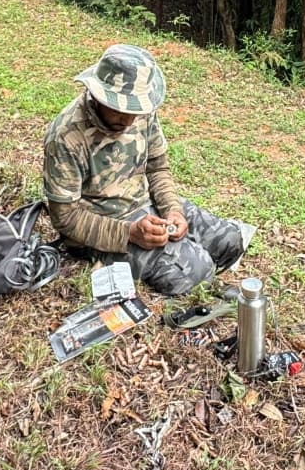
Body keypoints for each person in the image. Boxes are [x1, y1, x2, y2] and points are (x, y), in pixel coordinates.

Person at [43, 44, 246, 295]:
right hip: (102, 226)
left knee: (230, 241)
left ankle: (187, 255)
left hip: (144, 205)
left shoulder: (142, 112)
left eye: (134, 110)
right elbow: (65, 218)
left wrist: (172, 209)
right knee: (197, 271)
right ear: (97, 95)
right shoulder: (66, 136)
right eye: (120, 109)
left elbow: (157, 167)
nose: (128, 120)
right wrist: (128, 233)